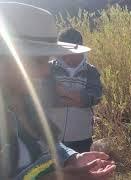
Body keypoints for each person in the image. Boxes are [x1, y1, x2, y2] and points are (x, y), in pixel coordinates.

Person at [0, 2, 115, 179]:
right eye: (37, 61)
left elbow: (48, 143)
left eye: (46, 60)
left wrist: (71, 158)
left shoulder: (27, 101)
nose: (46, 71)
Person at [48, 28, 102, 153]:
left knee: (80, 170)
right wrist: (79, 101)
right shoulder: (50, 68)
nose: (66, 56)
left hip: (81, 136)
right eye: (63, 51)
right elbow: (44, 97)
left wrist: (64, 93)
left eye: (70, 51)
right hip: (52, 135)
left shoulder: (91, 71)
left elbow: (93, 98)